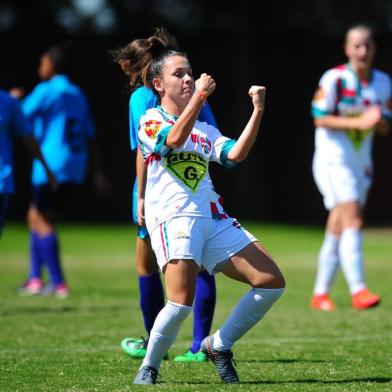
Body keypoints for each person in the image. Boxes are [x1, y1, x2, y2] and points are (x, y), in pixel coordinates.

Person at [129, 39, 285, 385]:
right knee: (181, 303)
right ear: (158, 84)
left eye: (190, 73)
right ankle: (150, 366)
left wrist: (257, 110)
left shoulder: (204, 129)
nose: (188, 79)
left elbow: (234, 155)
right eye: (178, 74)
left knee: (271, 282)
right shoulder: (151, 119)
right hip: (174, 219)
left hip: (212, 219)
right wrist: (199, 97)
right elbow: (171, 141)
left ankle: (218, 344)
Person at [111, 28, 217, 362]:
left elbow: (144, 151)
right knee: (201, 263)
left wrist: (140, 197)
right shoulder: (194, 93)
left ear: (135, 66)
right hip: (197, 183)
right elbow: (209, 137)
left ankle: (155, 342)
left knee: (146, 264)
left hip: (159, 191)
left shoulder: (142, 96)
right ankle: (199, 345)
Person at [15, 43, 107, 298]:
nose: (40, 67)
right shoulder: (78, 93)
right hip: (75, 163)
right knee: (39, 216)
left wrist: (13, 100)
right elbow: (90, 134)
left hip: (51, 164)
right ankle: (35, 279)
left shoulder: (47, 90)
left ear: (52, 65)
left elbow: (19, 115)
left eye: (43, 62)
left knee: (40, 218)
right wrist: (96, 171)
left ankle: (57, 282)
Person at [310, 24, 391, 311]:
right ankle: (359, 290)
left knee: (338, 223)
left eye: (367, 45)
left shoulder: (383, 82)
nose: (363, 51)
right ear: (347, 49)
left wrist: (378, 121)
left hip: (361, 164)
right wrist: (358, 121)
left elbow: (383, 125)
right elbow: (319, 117)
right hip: (333, 160)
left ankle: (320, 293)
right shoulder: (334, 79)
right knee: (354, 218)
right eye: (357, 45)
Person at [0, 89, 56, 236]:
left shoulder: (7, 102)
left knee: (37, 217)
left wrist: (46, 168)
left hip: (2, 180)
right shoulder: (8, 102)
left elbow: (28, 138)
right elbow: (29, 139)